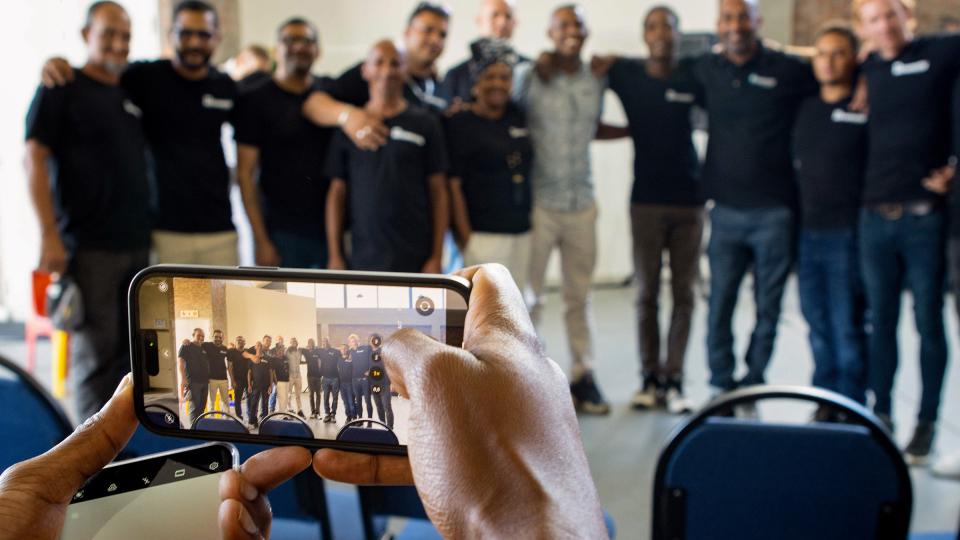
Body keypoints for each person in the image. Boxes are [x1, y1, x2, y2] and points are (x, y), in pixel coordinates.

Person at [0, 266, 606, 539]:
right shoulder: (231, 354)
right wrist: (528, 519)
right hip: (263, 388)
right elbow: (252, 366)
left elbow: (314, 365)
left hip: (341, 387)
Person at [24, 1, 150, 422]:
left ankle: (118, 458)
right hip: (89, 247)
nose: (118, 43)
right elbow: (33, 159)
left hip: (136, 245)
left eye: (125, 36)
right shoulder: (61, 85)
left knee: (127, 363)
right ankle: (87, 469)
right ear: (85, 36)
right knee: (95, 363)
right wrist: (48, 234)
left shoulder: (128, 92)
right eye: (108, 33)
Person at [41, 0, 239, 265]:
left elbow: (262, 103)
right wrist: (56, 63)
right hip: (163, 230)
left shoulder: (226, 86)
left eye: (203, 34)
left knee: (226, 305)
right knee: (166, 307)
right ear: (171, 35)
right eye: (185, 33)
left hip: (220, 229)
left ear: (216, 37)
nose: (194, 42)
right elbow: (98, 73)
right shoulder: (143, 77)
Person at [692, 0, 817, 407]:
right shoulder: (707, 70)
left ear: (757, 21)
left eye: (744, 17)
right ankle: (720, 380)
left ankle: (755, 377)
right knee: (720, 303)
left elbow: (832, 68)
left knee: (768, 307)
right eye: (728, 18)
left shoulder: (788, 69)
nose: (736, 26)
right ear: (718, 25)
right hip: (725, 211)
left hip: (774, 213)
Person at [853, 0, 960, 464]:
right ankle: (881, 416)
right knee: (881, 324)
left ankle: (926, 423)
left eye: (891, 15)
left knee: (928, 323)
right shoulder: (869, 68)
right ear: (865, 29)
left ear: (907, 18)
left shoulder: (940, 53)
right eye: (875, 18)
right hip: (874, 217)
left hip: (924, 218)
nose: (885, 25)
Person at [514, 4, 622, 415]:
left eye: (576, 24)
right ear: (550, 32)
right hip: (541, 204)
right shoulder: (530, 76)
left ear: (586, 31)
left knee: (580, 296)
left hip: (582, 204)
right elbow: (505, 114)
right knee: (532, 297)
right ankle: (529, 378)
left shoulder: (598, 77)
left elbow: (593, 127)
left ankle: (584, 375)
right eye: (562, 25)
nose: (571, 32)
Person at [603, 6, 703, 414]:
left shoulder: (694, 74)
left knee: (684, 294)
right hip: (645, 201)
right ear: (645, 35)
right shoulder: (625, 74)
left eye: (669, 26)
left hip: (690, 202)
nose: (662, 33)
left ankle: (674, 378)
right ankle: (649, 378)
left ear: (679, 34)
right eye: (654, 26)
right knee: (646, 293)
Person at [324, 39, 449, 273]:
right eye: (379, 62)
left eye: (395, 63)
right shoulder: (350, 126)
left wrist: (436, 256)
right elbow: (337, 193)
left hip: (416, 259)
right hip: (363, 259)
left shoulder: (426, 123)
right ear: (365, 70)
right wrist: (335, 255)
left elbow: (439, 192)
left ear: (404, 70)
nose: (387, 70)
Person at [793, 24, 868, 410]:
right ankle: (825, 399)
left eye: (839, 53)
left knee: (847, 327)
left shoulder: (864, 107)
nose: (828, 61)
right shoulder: (805, 107)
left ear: (855, 58)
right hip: (808, 236)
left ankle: (852, 406)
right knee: (818, 326)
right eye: (821, 53)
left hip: (848, 236)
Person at [235, 17, 334, 269]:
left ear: (317, 50)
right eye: (290, 40)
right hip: (280, 234)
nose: (299, 47)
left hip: (330, 233)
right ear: (276, 49)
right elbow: (245, 174)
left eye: (307, 41)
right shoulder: (255, 99)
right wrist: (261, 240)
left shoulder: (329, 93)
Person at [446, 40, 532, 290]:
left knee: (519, 308)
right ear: (476, 81)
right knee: (486, 312)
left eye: (504, 77)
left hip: (522, 232)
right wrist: (466, 239)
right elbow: (453, 186)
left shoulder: (518, 115)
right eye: (490, 77)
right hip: (482, 235)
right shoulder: (460, 123)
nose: (497, 84)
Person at [438, 0, 527, 105]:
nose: (502, 22)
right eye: (495, 15)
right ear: (479, 20)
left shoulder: (529, 71)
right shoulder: (455, 75)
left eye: (508, 16)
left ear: (515, 23)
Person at [178, 328, 210, 426]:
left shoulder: (204, 347)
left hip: (204, 382)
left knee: (202, 408)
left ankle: (200, 427)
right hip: (193, 382)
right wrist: (183, 378)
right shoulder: (186, 346)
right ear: (193, 335)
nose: (201, 337)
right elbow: (181, 362)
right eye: (198, 335)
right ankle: (193, 430)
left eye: (203, 336)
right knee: (194, 408)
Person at [244, 339, 273, 428]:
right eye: (257, 345)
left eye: (260, 345)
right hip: (255, 386)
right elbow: (249, 373)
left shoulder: (267, 358)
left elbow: (271, 372)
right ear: (255, 347)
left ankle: (265, 422)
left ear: (262, 347)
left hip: (266, 386)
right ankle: (253, 422)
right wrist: (249, 385)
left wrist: (271, 385)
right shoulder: (252, 359)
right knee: (253, 404)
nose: (259, 347)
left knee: (265, 404)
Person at [369, 333, 394, 429]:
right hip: (374, 385)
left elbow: (390, 367)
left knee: (387, 407)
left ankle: (390, 428)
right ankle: (383, 425)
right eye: (372, 340)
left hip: (385, 384)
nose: (374, 342)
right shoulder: (370, 353)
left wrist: (392, 382)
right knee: (379, 406)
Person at [203, 329, 230, 415]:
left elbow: (230, 361)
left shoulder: (224, 348)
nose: (218, 339)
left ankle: (227, 416)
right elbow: (197, 343)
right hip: (212, 379)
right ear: (212, 337)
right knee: (212, 401)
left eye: (220, 337)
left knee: (225, 400)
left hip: (224, 379)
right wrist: (187, 341)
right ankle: (212, 416)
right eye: (216, 337)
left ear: (223, 338)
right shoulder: (207, 345)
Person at [348, 333, 374, 419]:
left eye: (354, 340)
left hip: (365, 380)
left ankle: (370, 420)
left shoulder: (365, 348)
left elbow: (373, 358)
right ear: (350, 343)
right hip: (355, 380)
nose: (353, 342)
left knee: (368, 401)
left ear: (357, 341)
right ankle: (360, 418)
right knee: (358, 401)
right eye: (352, 341)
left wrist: (370, 370)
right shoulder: (350, 351)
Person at [319, 337, 342, 422]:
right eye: (323, 341)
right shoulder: (321, 351)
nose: (324, 343)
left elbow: (343, 353)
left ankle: (333, 414)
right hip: (325, 378)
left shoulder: (335, 351)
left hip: (335, 378)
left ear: (328, 342)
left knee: (335, 397)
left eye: (325, 341)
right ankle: (327, 414)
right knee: (325, 397)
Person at [226, 336, 249, 421]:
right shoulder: (231, 351)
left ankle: (249, 415)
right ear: (235, 342)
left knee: (249, 398)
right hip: (237, 380)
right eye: (238, 340)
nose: (240, 342)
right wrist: (232, 381)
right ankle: (239, 417)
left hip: (248, 380)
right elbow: (230, 367)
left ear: (244, 343)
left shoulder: (247, 351)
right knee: (238, 399)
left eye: (242, 341)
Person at [302, 338, 323, 419]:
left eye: (312, 343)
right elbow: (299, 350)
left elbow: (321, 360)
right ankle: (312, 411)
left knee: (318, 394)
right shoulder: (306, 351)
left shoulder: (317, 351)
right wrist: (301, 361)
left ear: (314, 344)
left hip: (318, 376)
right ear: (308, 344)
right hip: (310, 376)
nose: (311, 344)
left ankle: (317, 412)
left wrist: (321, 371)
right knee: (311, 394)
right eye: (309, 343)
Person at [285, 337, 306, 417]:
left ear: (297, 343)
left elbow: (300, 361)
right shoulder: (287, 351)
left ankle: (299, 410)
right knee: (289, 394)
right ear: (290, 343)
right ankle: (289, 409)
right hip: (290, 376)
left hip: (298, 376)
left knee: (298, 395)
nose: (294, 343)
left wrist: (308, 362)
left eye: (295, 342)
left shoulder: (299, 351)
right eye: (292, 342)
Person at [338, 343, 356, 421]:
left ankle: (354, 417)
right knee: (345, 402)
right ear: (340, 350)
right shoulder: (339, 359)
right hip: (342, 384)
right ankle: (348, 417)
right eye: (342, 349)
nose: (343, 350)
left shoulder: (351, 358)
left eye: (345, 348)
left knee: (351, 402)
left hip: (349, 384)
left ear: (347, 349)